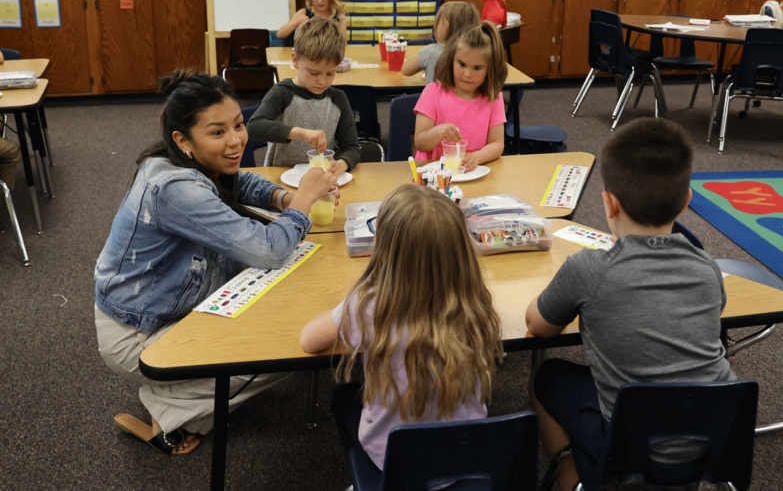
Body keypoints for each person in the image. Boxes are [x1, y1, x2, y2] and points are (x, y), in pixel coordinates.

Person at [95, 71, 338, 455]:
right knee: (290, 347)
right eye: (218, 132)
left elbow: (239, 180)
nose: (236, 139)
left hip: (173, 304)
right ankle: (170, 409)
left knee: (282, 314)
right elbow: (269, 250)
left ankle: (183, 390)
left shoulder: (185, 162)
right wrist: (305, 199)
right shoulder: (175, 188)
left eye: (239, 125)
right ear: (182, 139)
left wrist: (284, 199)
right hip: (136, 334)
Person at [525, 118, 736, 491]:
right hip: (710, 439)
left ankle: (571, 476)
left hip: (628, 448)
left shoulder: (589, 268)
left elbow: (539, 327)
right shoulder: (706, 267)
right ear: (686, 201)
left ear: (608, 202)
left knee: (545, 377)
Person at [300, 184, 503, 470]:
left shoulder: (370, 304)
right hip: (466, 456)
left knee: (343, 396)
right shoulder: (474, 298)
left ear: (385, 247)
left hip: (396, 463)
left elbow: (309, 339)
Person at [247, 17, 360, 173]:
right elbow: (254, 127)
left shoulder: (338, 99)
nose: (322, 81)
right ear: (295, 60)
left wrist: (342, 163)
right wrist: (300, 132)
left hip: (320, 178)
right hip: (281, 177)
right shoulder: (282, 93)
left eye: (330, 73)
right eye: (314, 73)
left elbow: (352, 148)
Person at [412, 22, 507, 172]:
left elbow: (497, 144)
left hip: (473, 171)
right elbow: (420, 143)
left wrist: (477, 157)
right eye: (461, 64)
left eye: (477, 68)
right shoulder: (432, 92)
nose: (467, 74)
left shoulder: (494, 98)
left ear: (490, 70)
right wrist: (438, 132)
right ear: (451, 60)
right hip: (434, 174)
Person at [401, 1, 480, 84]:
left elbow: (405, 70)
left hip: (435, 97)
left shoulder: (432, 51)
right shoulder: (479, 52)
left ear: (446, 26)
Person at [277, 0, 348, 45]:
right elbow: (280, 34)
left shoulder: (339, 18)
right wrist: (296, 23)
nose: (320, 1)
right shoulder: (304, 12)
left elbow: (344, 46)